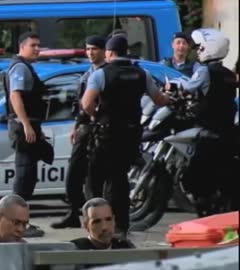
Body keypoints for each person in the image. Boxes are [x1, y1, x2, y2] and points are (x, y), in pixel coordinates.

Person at [81, 35, 170, 236]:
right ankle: (121, 224)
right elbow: (158, 99)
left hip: (106, 133)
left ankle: (95, 223)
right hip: (130, 134)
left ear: (109, 53)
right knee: (120, 178)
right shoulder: (141, 73)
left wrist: (97, 115)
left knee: (96, 179)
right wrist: (169, 97)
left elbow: (86, 103)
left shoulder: (101, 74)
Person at [167, 29, 237, 216]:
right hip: (226, 133)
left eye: (200, 47)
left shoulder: (205, 71)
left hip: (208, 133)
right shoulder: (228, 74)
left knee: (196, 177)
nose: (197, 51)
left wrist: (170, 87)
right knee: (219, 177)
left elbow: (188, 86)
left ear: (210, 48)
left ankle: (204, 212)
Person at [51, 35, 107, 229]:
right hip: (84, 128)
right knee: (73, 176)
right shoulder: (88, 73)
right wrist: (76, 125)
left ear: (104, 51)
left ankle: (96, 220)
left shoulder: (106, 73)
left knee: (94, 180)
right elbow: (80, 103)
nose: (91, 53)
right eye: (88, 49)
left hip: (99, 130)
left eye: (95, 49)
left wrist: (93, 117)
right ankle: (75, 212)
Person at [5, 32, 53, 238]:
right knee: (24, 177)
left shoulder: (25, 67)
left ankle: (18, 223)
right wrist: (26, 124)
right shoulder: (20, 68)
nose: (37, 49)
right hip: (23, 127)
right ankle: (16, 224)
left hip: (29, 126)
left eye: (39, 45)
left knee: (28, 176)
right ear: (21, 46)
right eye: (33, 45)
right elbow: (15, 96)